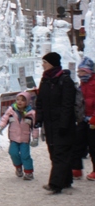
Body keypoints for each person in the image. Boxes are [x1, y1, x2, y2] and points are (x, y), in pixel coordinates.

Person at [35, 51, 77, 194]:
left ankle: (55, 184)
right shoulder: (45, 80)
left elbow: (67, 105)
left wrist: (64, 124)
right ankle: (66, 179)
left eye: (45, 62)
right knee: (54, 152)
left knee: (60, 152)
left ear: (52, 63)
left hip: (63, 124)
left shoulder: (65, 81)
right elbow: (40, 102)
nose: (43, 65)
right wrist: (39, 119)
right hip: (49, 123)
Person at [0, 91, 39, 180]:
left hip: (25, 138)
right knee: (13, 153)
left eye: (22, 100)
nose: (19, 102)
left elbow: (35, 127)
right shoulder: (11, 111)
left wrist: (35, 138)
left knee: (25, 155)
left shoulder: (31, 114)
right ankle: (18, 167)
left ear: (27, 102)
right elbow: (4, 120)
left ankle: (29, 172)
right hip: (13, 137)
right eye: (18, 99)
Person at [74, 57, 95, 181]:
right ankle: (76, 169)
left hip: (93, 120)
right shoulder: (82, 84)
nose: (80, 75)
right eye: (79, 72)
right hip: (83, 118)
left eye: (82, 72)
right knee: (78, 143)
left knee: (93, 146)